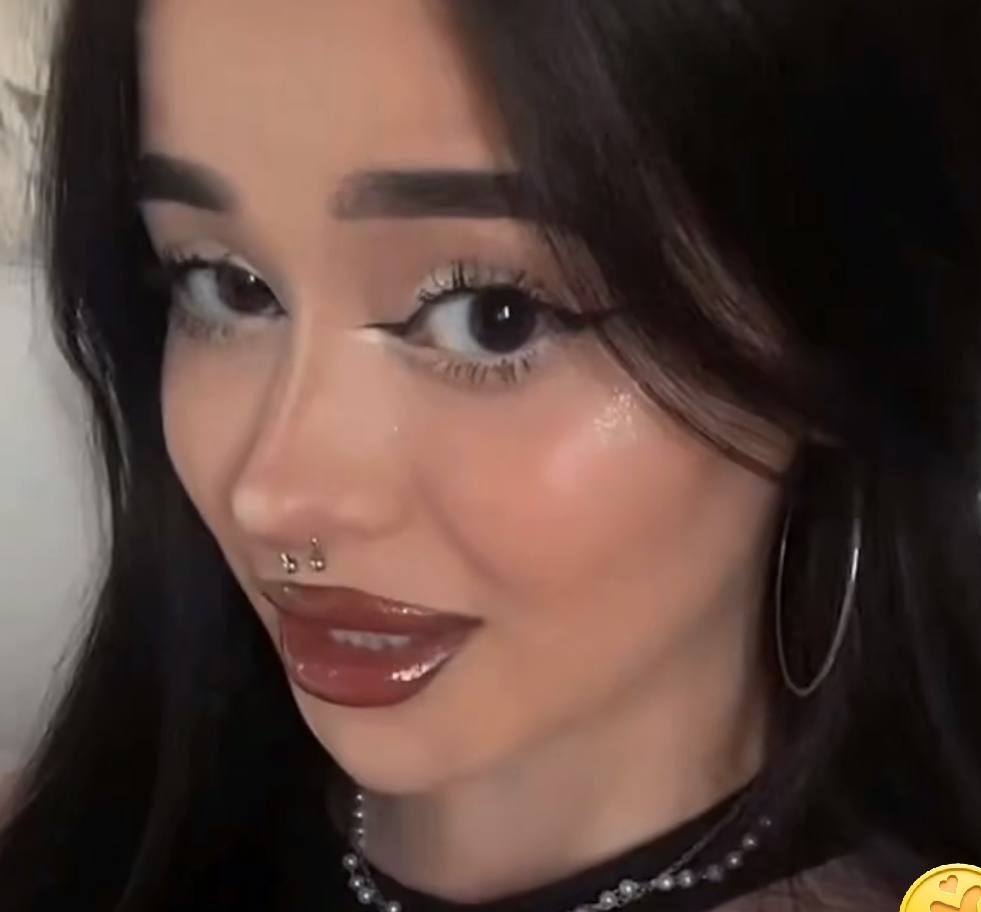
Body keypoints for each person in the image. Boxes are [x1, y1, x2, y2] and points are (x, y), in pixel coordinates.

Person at [2, 1, 981, 909]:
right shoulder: (80, 843)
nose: (276, 495)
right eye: (226, 285)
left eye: (493, 315)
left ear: (834, 337)